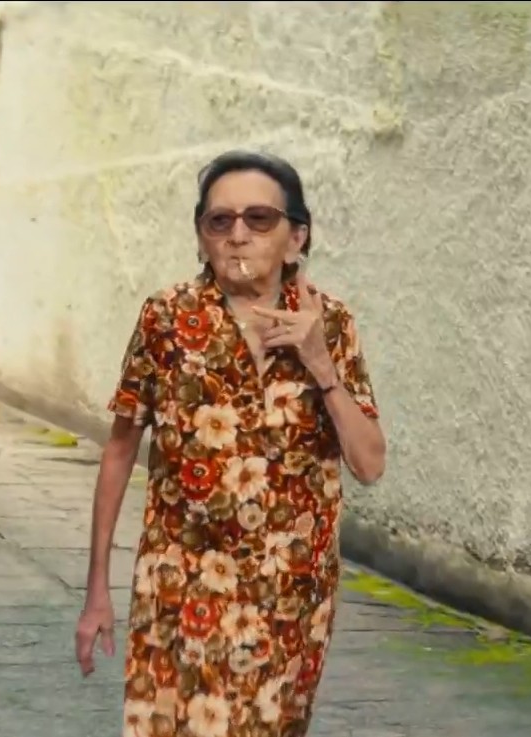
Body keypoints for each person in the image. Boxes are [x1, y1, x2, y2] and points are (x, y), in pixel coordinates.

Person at [75, 151, 387, 736]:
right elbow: (119, 450)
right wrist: (97, 589)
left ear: (296, 238)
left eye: (259, 219)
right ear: (202, 240)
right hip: (181, 585)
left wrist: (320, 364)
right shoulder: (167, 318)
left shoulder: (331, 324)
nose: (238, 235)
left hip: (289, 598)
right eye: (219, 221)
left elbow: (369, 464)